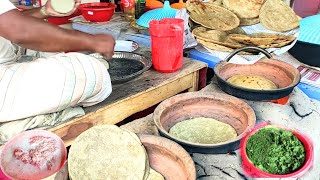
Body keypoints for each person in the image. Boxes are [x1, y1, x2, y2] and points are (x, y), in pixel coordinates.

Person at [0, 0, 115, 122]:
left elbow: (11, 22)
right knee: (92, 72)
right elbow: (19, 30)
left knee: (48, 47)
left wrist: (44, 11)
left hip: (9, 57)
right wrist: (93, 42)